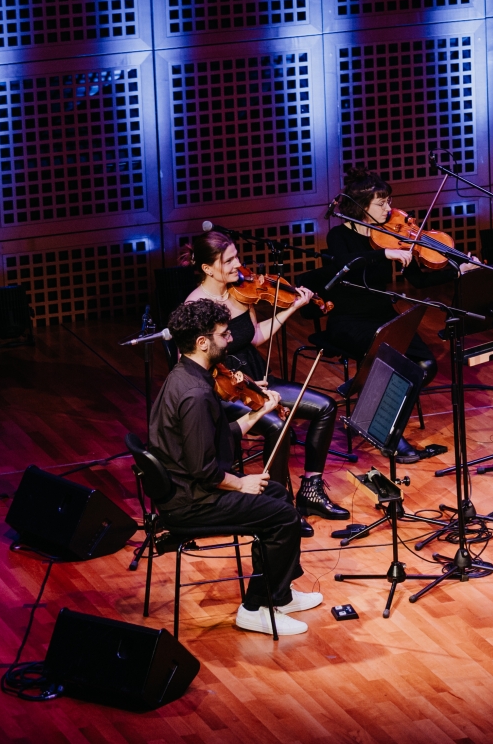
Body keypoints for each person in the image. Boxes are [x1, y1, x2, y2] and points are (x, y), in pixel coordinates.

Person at [148, 298, 322, 636]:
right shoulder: (194, 395)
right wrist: (241, 484)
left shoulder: (186, 376)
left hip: (192, 489)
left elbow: (217, 436)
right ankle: (255, 607)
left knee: (277, 494)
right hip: (193, 502)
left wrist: (257, 413)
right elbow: (204, 470)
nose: (230, 340)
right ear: (203, 342)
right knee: (283, 517)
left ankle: (280, 594)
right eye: (224, 335)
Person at [182, 231, 347, 530]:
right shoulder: (196, 307)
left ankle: (310, 488)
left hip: (260, 383)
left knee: (326, 406)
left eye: (237, 256)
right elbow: (200, 367)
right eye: (229, 260)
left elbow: (255, 336)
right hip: (226, 394)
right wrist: (244, 384)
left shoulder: (240, 291)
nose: (239, 265)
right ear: (207, 269)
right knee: (276, 424)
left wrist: (291, 309)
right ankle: (279, 504)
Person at [324, 167, 461, 464]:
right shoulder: (339, 235)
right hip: (348, 322)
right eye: (381, 203)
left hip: (384, 318)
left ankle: (370, 410)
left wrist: (458, 270)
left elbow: (421, 280)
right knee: (388, 362)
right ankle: (391, 437)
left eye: (388, 201)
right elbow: (345, 263)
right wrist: (383, 255)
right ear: (360, 207)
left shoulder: (390, 236)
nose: (390, 209)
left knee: (425, 364)